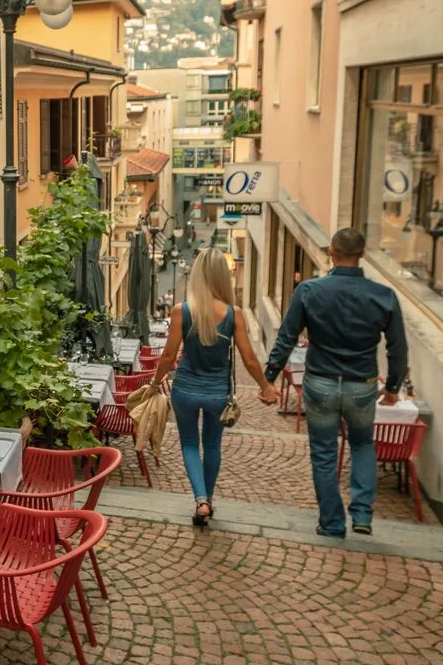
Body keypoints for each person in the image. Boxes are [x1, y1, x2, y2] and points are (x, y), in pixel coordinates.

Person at [260, 228, 408, 538]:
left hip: (321, 382)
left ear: (332, 253)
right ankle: (363, 513)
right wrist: (393, 388)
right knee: (363, 443)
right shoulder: (384, 296)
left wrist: (269, 378)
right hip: (362, 384)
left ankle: (331, 522)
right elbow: (397, 348)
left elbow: (286, 337)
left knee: (325, 452)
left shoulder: (309, 291)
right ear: (363, 254)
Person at [152, 249, 271, 528]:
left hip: (185, 390)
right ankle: (209, 499)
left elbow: (168, 357)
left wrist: (154, 383)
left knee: (190, 444)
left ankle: (200, 499)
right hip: (219, 393)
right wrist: (265, 386)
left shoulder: (182, 310)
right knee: (213, 445)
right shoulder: (234, 314)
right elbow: (249, 359)